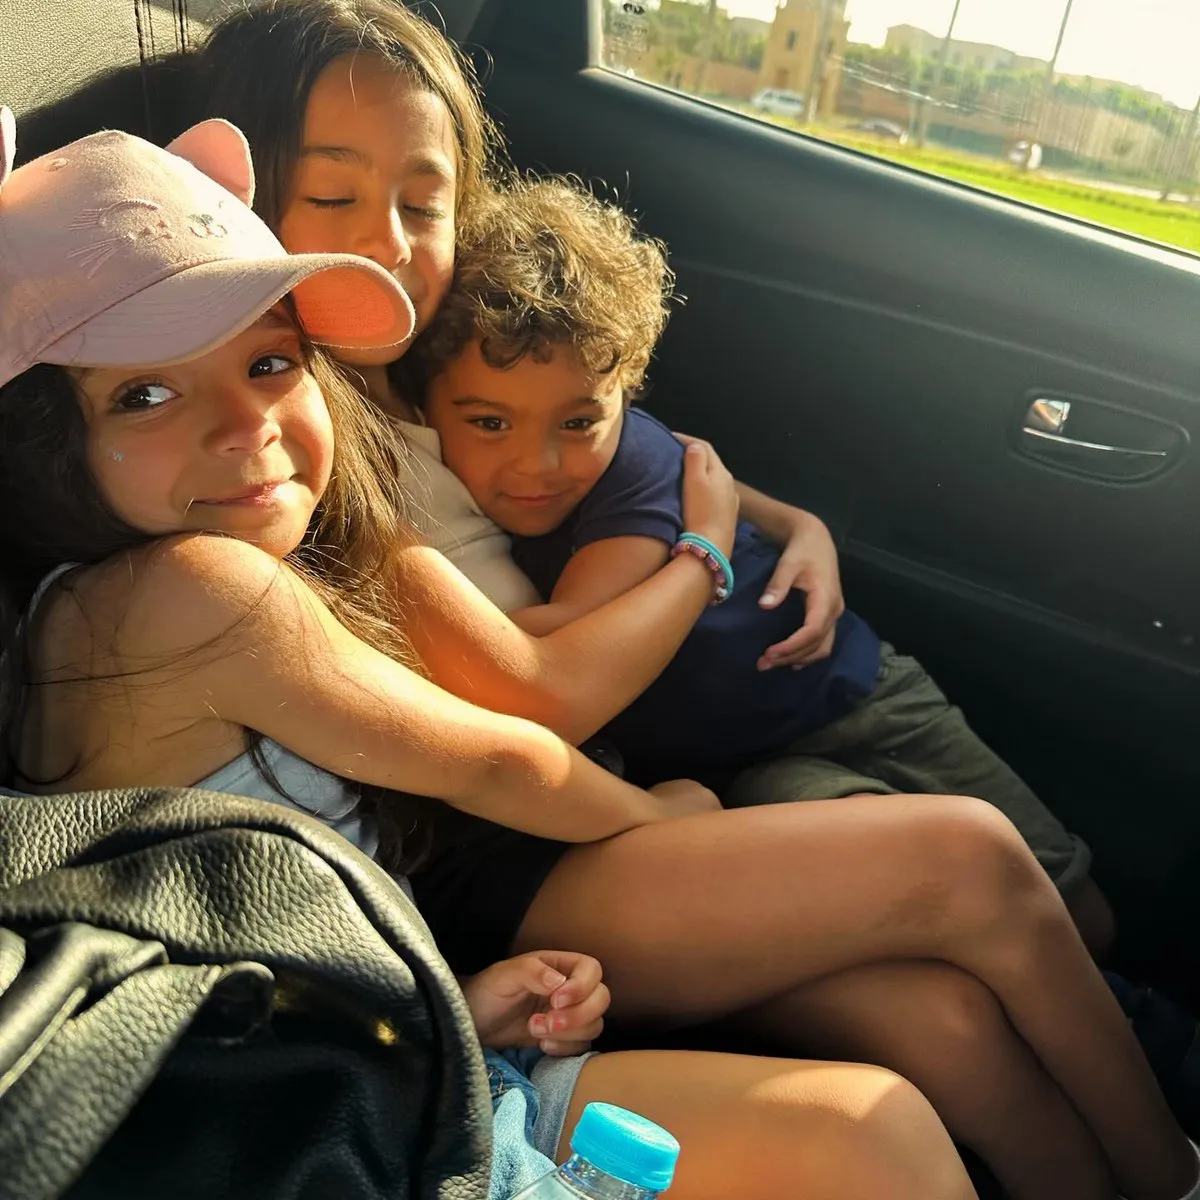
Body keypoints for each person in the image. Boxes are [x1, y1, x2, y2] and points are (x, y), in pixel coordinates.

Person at [0, 109, 985, 1200]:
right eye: (143, 394)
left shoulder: (113, 595)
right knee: (927, 971)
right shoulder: (195, 589)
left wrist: (457, 1006)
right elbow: (499, 757)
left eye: (272, 361)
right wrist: (665, 810)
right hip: (330, 1121)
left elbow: (233, 941)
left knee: (882, 1117)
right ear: (44, 442)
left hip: (364, 1049)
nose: (250, 424)